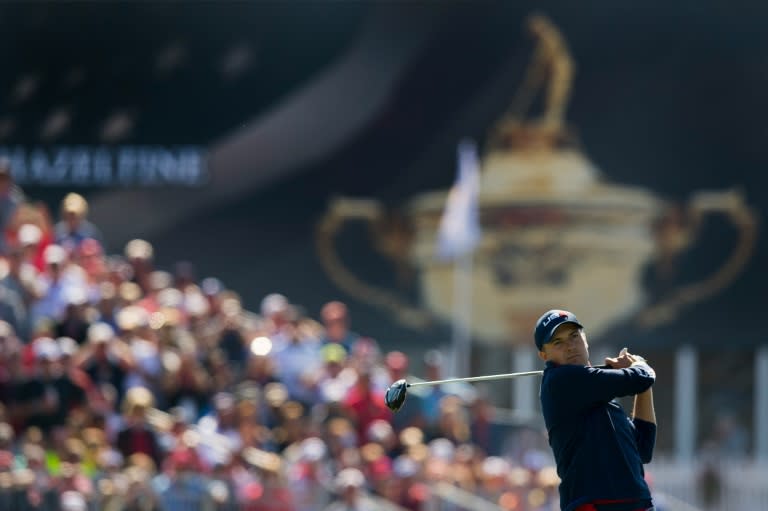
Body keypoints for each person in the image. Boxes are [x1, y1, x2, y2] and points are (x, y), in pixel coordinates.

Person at [534, 309, 657, 511]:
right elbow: (640, 378)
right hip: (594, 505)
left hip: (635, 504)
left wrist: (642, 384)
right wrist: (639, 366)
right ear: (544, 354)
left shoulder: (604, 400)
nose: (570, 346)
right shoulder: (560, 381)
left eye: (574, 336)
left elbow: (643, 449)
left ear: (585, 339)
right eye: (558, 342)